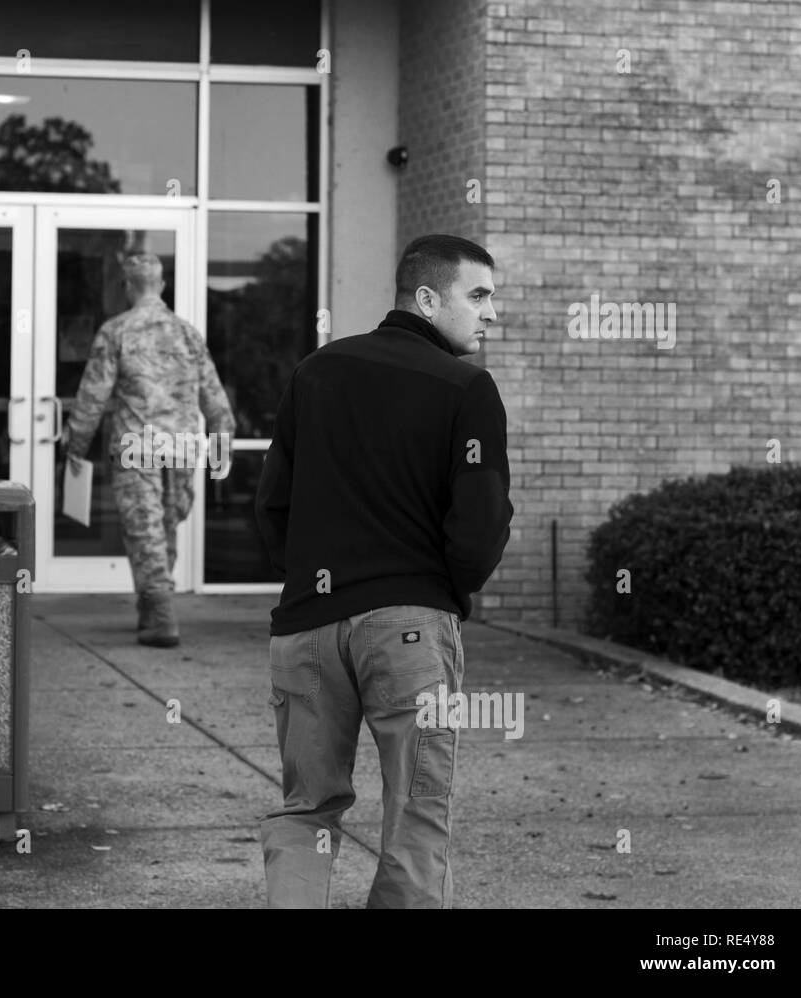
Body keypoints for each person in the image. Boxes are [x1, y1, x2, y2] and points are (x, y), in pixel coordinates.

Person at [254, 234, 513, 908]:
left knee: (305, 807)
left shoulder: (315, 372)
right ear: (427, 299)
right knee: (417, 809)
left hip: (306, 628)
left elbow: (271, 505)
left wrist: (313, 575)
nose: (493, 312)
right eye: (478, 295)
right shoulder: (468, 389)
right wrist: (445, 589)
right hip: (410, 630)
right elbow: (479, 527)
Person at [62, 253, 236, 647]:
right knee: (164, 525)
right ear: (160, 285)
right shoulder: (187, 333)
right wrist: (222, 441)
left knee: (145, 529)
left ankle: (159, 614)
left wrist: (75, 447)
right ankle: (153, 606)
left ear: (127, 286)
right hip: (181, 445)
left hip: (137, 446)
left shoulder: (116, 330)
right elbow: (213, 394)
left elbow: (92, 396)